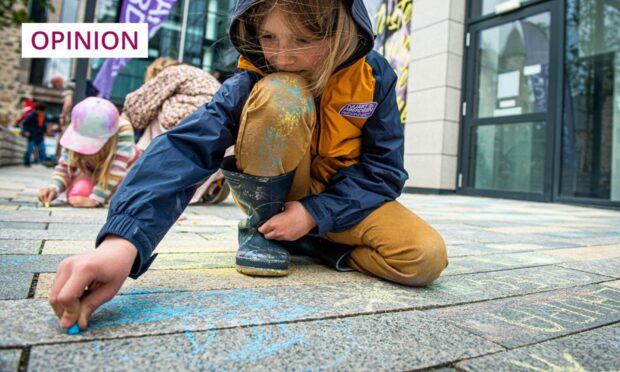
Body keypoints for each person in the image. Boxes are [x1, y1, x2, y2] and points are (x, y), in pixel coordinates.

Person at [49, 0, 448, 331]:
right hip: (277, 193)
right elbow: (184, 149)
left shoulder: (374, 76)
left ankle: (306, 242)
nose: (281, 55)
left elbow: (385, 170)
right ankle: (266, 228)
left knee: (424, 256)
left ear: (340, 33)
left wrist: (314, 215)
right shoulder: (252, 77)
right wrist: (123, 244)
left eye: (303, 40)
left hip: (340, 202)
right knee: (281, 92)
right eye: (269, 37)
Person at [122, 57, 228, 204]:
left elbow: (137, 107)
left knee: (154, 113)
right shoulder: (200, 75)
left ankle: (139, 167)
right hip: (221, 131)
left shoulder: (172, 72)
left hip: (189, 122)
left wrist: (125, 121)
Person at [38, 97, 138, 208]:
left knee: (123, 201)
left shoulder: (123, 129)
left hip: (125, 174)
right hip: (95, 173)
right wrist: (53, 188)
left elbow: (116, 171)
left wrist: (95, 199)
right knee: (78, 193)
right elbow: (65, 167)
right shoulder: (79, 124)